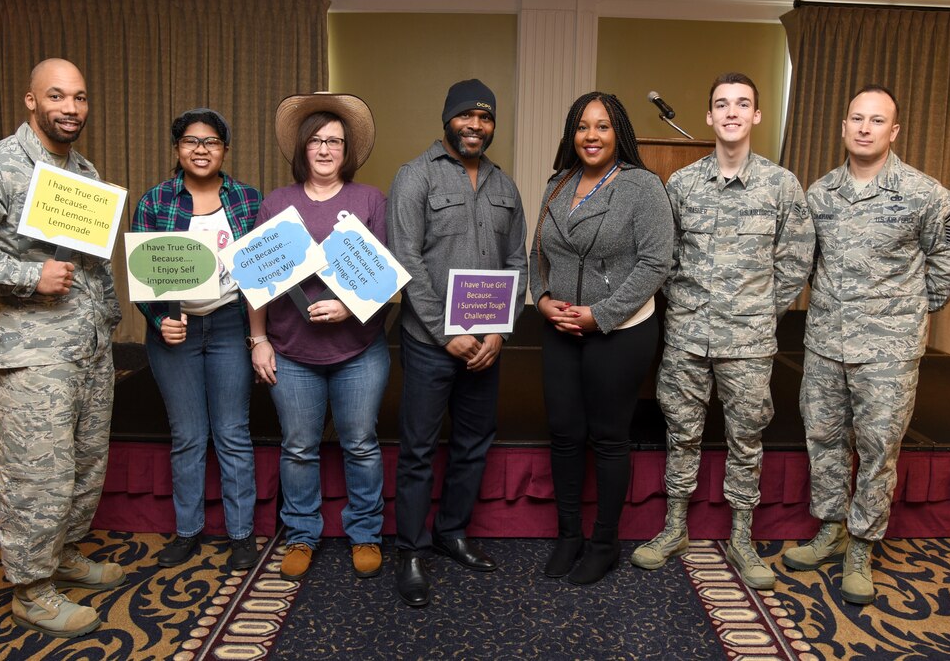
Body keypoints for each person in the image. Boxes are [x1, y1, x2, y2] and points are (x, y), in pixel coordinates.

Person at [0, 58, 123, 638]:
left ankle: (61, 555)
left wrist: (107, 320)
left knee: (84, 463)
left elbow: (93, 257)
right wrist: (25, 275)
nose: (71, 108)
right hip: (31, 352)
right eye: (57, 96)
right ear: (31, 101)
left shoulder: (82, 170)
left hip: (86, 345)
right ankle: (31, 589)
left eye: (80, 98)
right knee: (38, 472)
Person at [782, 85, 950, 605]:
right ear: (843, 127)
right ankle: (832, 529)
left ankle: (862, 547)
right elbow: (801, 262)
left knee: (878, 450)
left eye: (877, 120)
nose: (865, 128)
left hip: (887, 353)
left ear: (894, 131)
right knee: (822, 441)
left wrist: (904, 313)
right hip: (823, 346)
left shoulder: (925, 194)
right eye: (856, 118)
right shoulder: (819, 195)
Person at [630, 73, 815, 590]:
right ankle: (673, 528)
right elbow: (662, 258)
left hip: (750, 344)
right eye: (720, 104)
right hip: (687, 336)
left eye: (742, 104)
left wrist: (758, 311)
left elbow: (796, 260)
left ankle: (740, 537)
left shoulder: (781, 185)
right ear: (710, 117)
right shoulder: (683, 185)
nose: (731, 112)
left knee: (746, 439)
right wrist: (687, 304)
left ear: (756, 115)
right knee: (681, 433)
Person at [387, 79, 528, 607]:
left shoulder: (504, 185)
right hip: (430, 343)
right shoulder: (414, 176)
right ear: (447, 119)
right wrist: (449, 333)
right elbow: (406, 262)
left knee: (474, 442)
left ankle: (452, 532)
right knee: (419, 449)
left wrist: (498, 331)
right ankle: (412, 550)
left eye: (485, 118)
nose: (476, 126)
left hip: (487, 344)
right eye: (466, 116)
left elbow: (519, 264)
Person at [530, 92, 673, 584]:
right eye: (583, 127)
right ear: (572, 134)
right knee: (565, 435)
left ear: (619, 135)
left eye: (603, 127)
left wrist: (601, 315)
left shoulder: (643, 187)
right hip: (560, 328)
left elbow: (656, 263)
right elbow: (537, 255)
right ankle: (569, 535)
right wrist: (542, 299)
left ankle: (604, 542)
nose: (592, 136)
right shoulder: (558, 183)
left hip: (620, 331)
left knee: (608, 438)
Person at [249, 93, 389, 583]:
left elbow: (387, 276)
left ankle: (366, 533)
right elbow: (256, 278)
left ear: (347, 150)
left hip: (359, 351)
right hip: (291, 351)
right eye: (316, 140)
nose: (326, 149)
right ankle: (302, 534)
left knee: (361, 444)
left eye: (335, 141)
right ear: (302, 149)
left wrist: (349, 304)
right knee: (299, 447)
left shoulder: (370, 199)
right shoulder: (276, 202)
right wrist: (258, 339)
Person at [132, 108, 261, 573]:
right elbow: (144, 274)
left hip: (229, 324)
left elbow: (262, 269)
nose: (201, 149)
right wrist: (158, 318)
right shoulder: (155, 202)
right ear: (177, 149)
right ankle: (188, 531)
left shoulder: (247, 199)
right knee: (188, 435)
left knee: (232, 432)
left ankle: (241, 533)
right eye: (191, 141)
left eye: (211, 142)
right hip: (175, 331)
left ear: (225, 150)